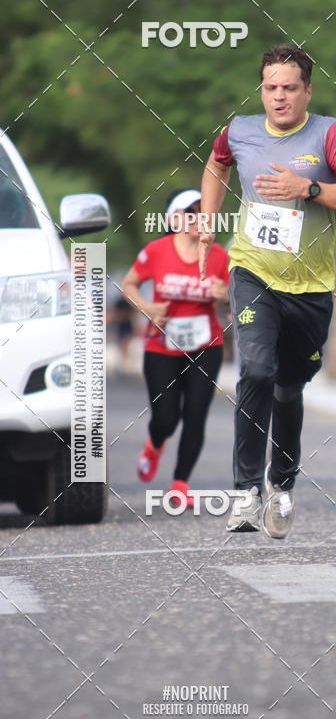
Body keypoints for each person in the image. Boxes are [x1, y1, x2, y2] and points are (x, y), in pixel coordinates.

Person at [198, 45, 336, 538]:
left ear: (307, 92)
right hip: (253, 270)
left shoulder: (328, 133)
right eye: (271, 87)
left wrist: (309, 188)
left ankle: (281, 483)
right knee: (255, 368)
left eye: (289, 88)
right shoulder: (240, 130)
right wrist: (209, 219)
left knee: (289, 386)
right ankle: (246, 491)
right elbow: (217, 164)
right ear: (262, 90)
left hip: (311, 285)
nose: (279, 97)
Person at [121, 189, 230, 505]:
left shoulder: (220, 256)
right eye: (192, 212)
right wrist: (147, 308)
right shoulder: (156, 251)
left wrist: (225, 295)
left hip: (206, 344)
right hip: (161, 346)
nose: (200, 218)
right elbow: (128, 284)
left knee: (196, 415)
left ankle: (180, 483)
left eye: (204, 211)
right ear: (174, 219)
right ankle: (155, 444)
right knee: (167, 418)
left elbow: (232, 302)